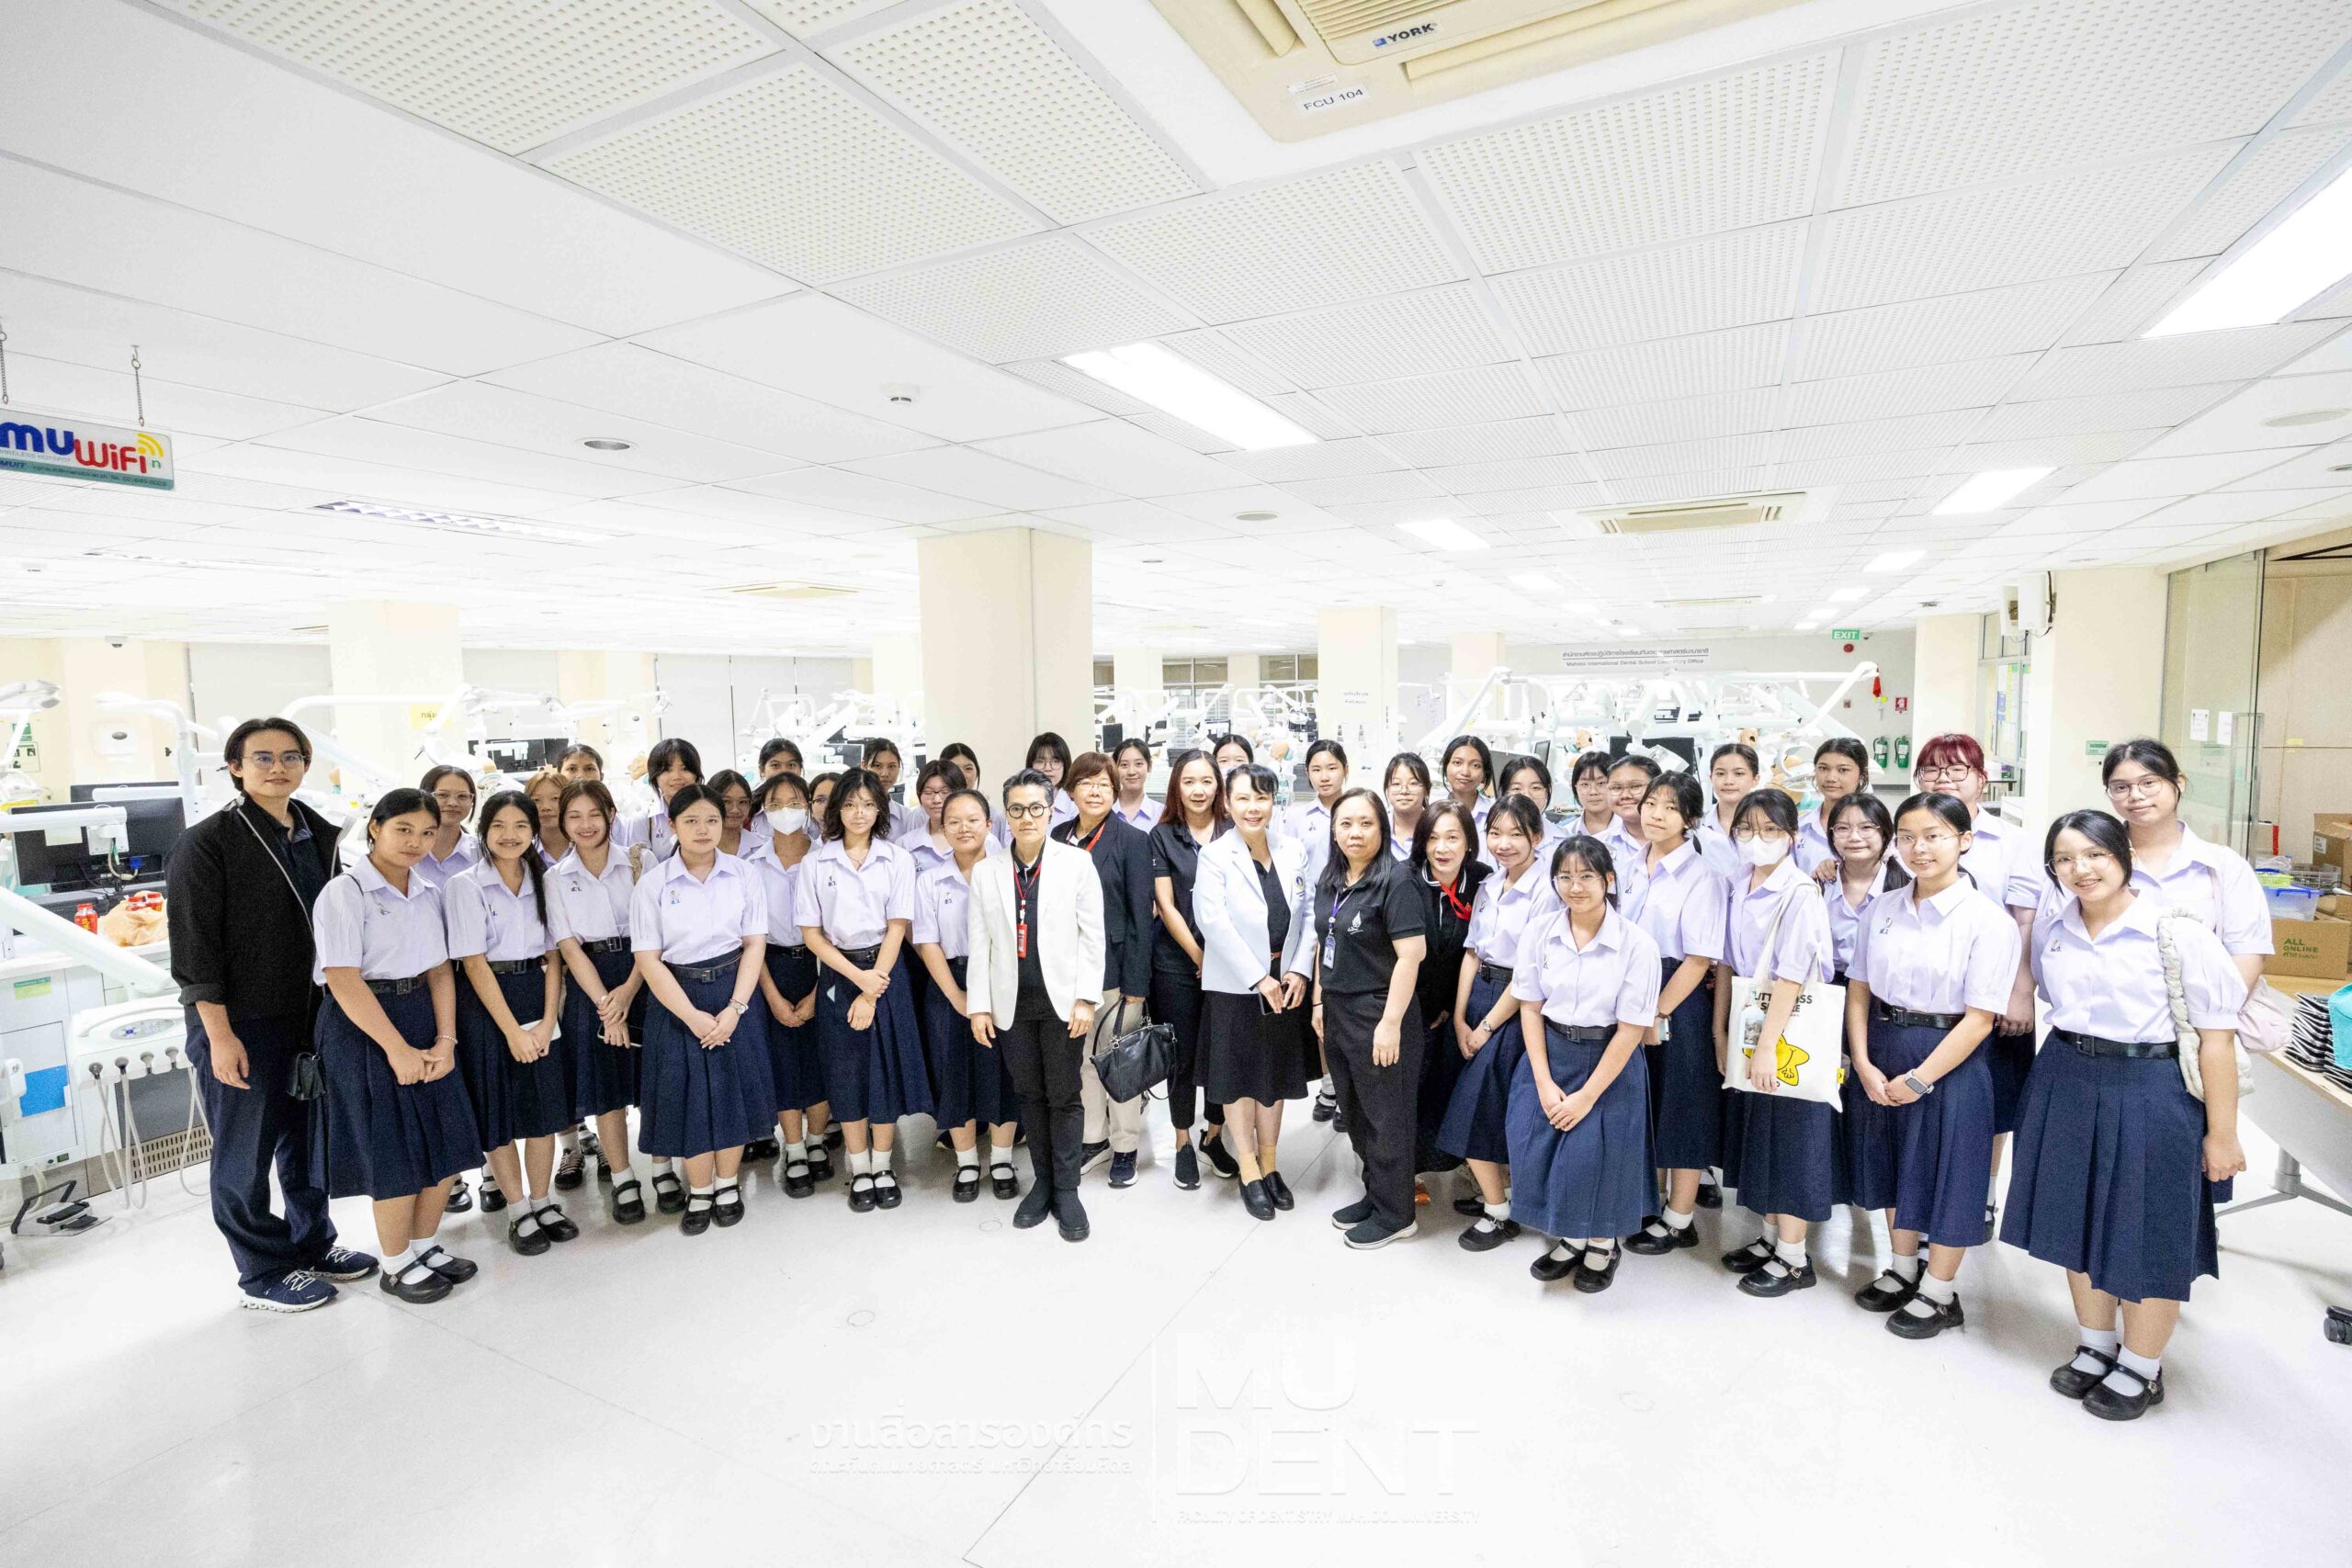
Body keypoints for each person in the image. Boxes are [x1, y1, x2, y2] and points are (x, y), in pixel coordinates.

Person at [2002, 810, 2248, 1420]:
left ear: (2124, 856)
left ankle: (2142, 1364)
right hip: (2066, 1075)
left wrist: (2222, 1133)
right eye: (2064, 859)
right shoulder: (2054, 928)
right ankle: (2096, 1343)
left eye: (2095, 854)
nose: (2080, 869)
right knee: (2074, 1216)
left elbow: (2217, 1040)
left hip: (2151, 1086)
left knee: (2149, 1226)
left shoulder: (2176, 932)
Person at [167, 716, 376, 1311]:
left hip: (308, 1017)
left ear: (306, 764)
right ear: (235, 767)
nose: (277, 767)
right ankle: (261, 1269)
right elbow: (195, 951)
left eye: (290, 757)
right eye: (262, 757)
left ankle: (312, 1243)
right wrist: (219, 1035)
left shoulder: (319, 835)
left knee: (306, 1141)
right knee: (245, 1150)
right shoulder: (207, 844)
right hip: (240, 1024)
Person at [1843, 794, 2019, 1337]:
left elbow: (1981, 1019)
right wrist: (1863, 1061)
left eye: (1934, 836)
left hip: (1951, 1057)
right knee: (1893, 1162)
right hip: (1883, 1044)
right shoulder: (1882, 909)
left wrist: (1921, 1078)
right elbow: (1858, 989)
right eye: (1908, 837)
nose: (1919, 848)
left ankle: (1940, 1292)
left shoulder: (1988, 920)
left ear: (1965, 841)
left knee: (1950, 1172)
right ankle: (1902, 1269)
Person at [314, 789, 482, 1304]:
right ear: (375, 828)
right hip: (366, 1027)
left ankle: (425, 1244)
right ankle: (395, 1261)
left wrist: (446, 1040)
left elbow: (441, 971)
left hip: (425, 1018)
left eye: (427, 832)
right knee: (393, 1150)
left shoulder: (430, 891)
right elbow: (343, 979)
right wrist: (396, 1049)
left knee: (447, 1139)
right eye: (403, 829)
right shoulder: (346, 892)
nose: (415, 842)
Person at [1508, 837, 1662, 1292]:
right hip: (1551, 1051)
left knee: (1597, 1157)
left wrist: (1586, 1097)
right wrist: (1542, 1080)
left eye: (1587, 876)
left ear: (1609, 880)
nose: (1575, 887)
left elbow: (1632, 1029)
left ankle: (1602, 1244)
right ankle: (1572, 1238)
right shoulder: (1540, 932)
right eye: (1565, 877)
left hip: (1609, 1059)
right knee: (1545, 1149)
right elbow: (1530, 1007)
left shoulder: (1637, 944)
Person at [966, 770, 1106, 1241]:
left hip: (1063, 1003)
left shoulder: (1076, 863)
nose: (1027, 817)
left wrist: (1086, 998)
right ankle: (1042, 1183)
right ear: (1005, 816)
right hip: (1011, 1006)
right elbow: (979, 943)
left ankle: (1067, 1189)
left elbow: (1092, 937)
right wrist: (979, 1007)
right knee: (1029, 1095)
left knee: (1064, 1095)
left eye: (1036, 808)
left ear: (1050, 811)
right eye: (1017, 809)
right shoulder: (987, 871)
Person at [630, 783, 775, 1235]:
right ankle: (700, 1190)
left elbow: (754, 944)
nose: (702, 829)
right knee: (687, 1096)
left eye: (711, 819)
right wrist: (691, 1016)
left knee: (732, 1092)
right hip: (676, 999)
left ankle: (727, 1183)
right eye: (690, 820)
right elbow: (648, 960)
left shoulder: (744, 874)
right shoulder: (653, 885)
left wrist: (736, 1008)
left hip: (733, 990)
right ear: (672, 825)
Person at [1715, 787, 1842, 1298]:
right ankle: (1770, 1239)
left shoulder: (1800, 893)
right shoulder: (1736, 883)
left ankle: (1793, 1256)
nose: (1758, 839)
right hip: (1750, 1023)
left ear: (1792, 837)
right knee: (1761, 1135)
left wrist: (1767, 1047)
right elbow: (1728, 963)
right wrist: (1721, 1031)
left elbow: (1791, 976)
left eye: (1770, 830)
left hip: (1787, 1030)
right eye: (1747, 829)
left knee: (1791, 1139)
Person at [1909, 733, 2044, 1205]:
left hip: (1995, 991)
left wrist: (2020, 992)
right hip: (1930, 990)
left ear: (1981, 780)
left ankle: (1981, 1193)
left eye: (1956, 769)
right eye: (1932, 770)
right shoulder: (1909, 836)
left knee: (1993, 1097)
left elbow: (2024, 918)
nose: (1943, 779)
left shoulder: (2012, 841)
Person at [796, 766, 931, 1212]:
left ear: (880, 810)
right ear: (837, 809)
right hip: (839, 973)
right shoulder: (816, 863)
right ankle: (859, 1168)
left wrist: (872, 991)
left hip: (886, 972)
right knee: (846, 1072)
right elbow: (812, 934)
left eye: (869, 805)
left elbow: (898, 927)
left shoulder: (897, 859)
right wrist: (858, 982)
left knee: (884, 1071)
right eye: (851, 804)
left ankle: (884, 1166)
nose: (859, 813)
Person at [446, 791, 573, 1256]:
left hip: (536, 995)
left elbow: (554, 955)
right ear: (484, 830)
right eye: (499, 825)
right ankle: (518, 1209)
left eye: (521, 825)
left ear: (534, 831)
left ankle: (542, 1200)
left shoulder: (545, 879)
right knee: (498, 1113)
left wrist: (546, 1020)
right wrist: (512, 1031)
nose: (510, 835)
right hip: (486, 1005)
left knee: (543, 1111)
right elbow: (473, 963)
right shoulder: (465, 885)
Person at [1193, 762, 1317, 1223]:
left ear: (1274, 802)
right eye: (1243, 798)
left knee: (1273, 1079)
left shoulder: (1293, 849)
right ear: (1227, 804)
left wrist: (1299, 969)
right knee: (1239, 1080)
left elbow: (1309, 915)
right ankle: (1247, 1168)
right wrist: (1258, 977)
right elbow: (1213, 923)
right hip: (1236, 988)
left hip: (1285, 985)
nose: (1253, 807)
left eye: (1262, 797)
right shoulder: (1215, 856)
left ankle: (1270, 1163)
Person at [1307, 789, 1428, 1248]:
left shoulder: (1397, 881)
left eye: (1365, 823)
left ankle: (1397, 1214)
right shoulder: (1332, 878)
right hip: (1338, 1010)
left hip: (1379, 1012)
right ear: (1334, 830)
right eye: (1345, 824)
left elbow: (1411, 956)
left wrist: (1391, 1023)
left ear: (1382, 827)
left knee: (1386, 1117)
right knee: (1355, 1113)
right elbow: (1325, 943)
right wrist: (1319, 1003)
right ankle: (1377, 1195)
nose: (1354, 833)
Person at [1622, 772, 1729, 1255]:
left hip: (1675, 1000)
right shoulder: (1628, 864)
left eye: (1670, 807)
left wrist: (1656, 1013)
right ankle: (1649, 1202)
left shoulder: (1703, 877)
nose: (1656, 814)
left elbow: (1699, 959)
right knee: (1644, 1104)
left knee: (1683, 1105)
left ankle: (1681, 1217)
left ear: (1690, 819)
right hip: (1630, 990)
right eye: (1651, 803)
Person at [1437, 795, 1552, 1250]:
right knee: (1486, 1108)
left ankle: (1499, 1212)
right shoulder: (1489, 884)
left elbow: (1528, 973)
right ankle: (1499, 1196)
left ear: (1537, 837)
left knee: (1475, 1108)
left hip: (1516, 1006)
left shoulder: (1547, 890)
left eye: (1516, 834)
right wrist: (1461, 1017)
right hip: (1479, 996)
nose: (1503, 844)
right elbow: (1472, 952)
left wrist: (1485, 1027)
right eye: (1495, 834)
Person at [547, 780, 650, 1222]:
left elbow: (654, 933)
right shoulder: (555, 877)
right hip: (591, 984)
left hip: (645, 974)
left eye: (594, 814)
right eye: (574, 816)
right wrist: (608, 1006)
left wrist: (628, 991)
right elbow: (569, 948)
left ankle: (663, 1168)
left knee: (654, 1078)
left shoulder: (640, 861)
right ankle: (623, 1178)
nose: (585, 824)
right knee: (606, 1086)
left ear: (610, 815)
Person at [912, 787, 1021, 1201]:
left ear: (989, 825)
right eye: (953, 821)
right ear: (942, 828)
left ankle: (1003, 1159)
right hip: (949, 984)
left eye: (973, 820)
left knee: (1003, 1072)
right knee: (953, 1072)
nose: (963, 828)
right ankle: (967, 1162)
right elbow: (927, 943)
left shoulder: (1009, 873)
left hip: (1001, 983)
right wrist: (958, 998)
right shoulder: (929, 880)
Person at [1052, 752, 1155, 1186]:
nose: (1095, 791)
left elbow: (1140, 918)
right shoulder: (1056, 836)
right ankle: (1094, 1138)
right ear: (1070, 790)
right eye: (1086, 783)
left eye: (1103, 785)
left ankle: (1126, 1145)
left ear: (1114, 792)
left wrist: (1136, 983)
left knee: (1120, 1062)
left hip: (1116, 973)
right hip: (1067, 974)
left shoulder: (1132, 840)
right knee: (1083, 1062)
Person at [2098, 739, 2270, 988]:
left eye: (2149, 783)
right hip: (2114, 1005)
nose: (2135, 795)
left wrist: (2217, 1012)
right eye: (2120, 787)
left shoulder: (2224, 865)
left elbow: (2248, 952)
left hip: (2205, 1008)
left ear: (2178, 783)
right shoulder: (2095, 864)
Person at [1149, 748, 1238, 1188]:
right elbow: (1166, 905)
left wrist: (1221, 957)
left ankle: (1214, 1136)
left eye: (1206, 781)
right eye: (1189, 782)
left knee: (1222, 1052)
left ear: (1218, 786)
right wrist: (1200, 957)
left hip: (1230, 962)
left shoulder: (1234, 830)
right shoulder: (1162, 835)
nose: (1198, 790)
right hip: (1176, 964)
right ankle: (1183, 1140)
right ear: (1176, 787)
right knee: (1181, 1056)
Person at [743, 772, 832, 1197]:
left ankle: (816, 1140)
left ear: (809, 806)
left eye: (794, 802)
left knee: (821, 1057)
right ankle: (793, 1147)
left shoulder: (827, 859)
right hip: (770, 967)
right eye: (775, 804)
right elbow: (750, 939)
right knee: (781, 1060)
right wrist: (772, 995)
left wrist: (818, 991)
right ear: (763, 809)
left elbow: (835, 932)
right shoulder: (750, 867)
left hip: (822, 966)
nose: (785, 811)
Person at [1410, 802, 1487, 1190]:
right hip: (1412, 1006)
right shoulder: (1405, 880)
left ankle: (1462, 1163)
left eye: (1452, 837)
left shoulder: (1483, 881)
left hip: (1461, 1006)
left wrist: (1450, 1010)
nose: (1442, 848)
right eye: (1433, 838)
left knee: (1453, 1090)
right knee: (1412, 1094)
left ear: (1468, 842)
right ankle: (1407, 1172)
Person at [616, 738, 703, 867]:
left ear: (696, 774)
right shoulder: (642, 821)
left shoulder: (712, 815)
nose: (676, 776)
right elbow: (637, 869)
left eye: (684, 769)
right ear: (655, 777)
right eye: (667, 770)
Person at [1796, 738, 1870, 874]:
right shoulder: (1800, 826)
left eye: (1843, 770)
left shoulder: (1876, 827)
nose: (1831, 778)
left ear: (1862, 775)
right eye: (1823, 768)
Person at [1283, 738, 1349, 852]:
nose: (1324, 777)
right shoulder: (1296, 818)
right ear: (1307, 773)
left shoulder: (1358, 813)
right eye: (1316, 770)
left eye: (1332, 768)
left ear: (1345, 770)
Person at [899, 759, 961, 873]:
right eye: (928, 792)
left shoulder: (984, 841)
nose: (937, 800)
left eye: (945, 792)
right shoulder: (905, 845)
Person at [1600, 754, 1657, 874]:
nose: (1625, 795)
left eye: (1635, 786)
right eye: (1616, 788)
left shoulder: (1686, 841)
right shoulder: (1598, 845)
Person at [1498, 755, 1565, 856]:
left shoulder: (1564, 840)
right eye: (1516, 788)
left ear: (1547, 791)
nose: (1527, 796)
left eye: (1535, 788)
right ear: (1504, 793)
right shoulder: (1489, 838)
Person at [863, 738, 924, 842]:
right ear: (863, 766)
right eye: (877, 766)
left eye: (892, 766)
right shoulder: (849, 812)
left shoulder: (906, 818)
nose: (885, 773)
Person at [1438, 735, 1494, 832]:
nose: (1465, 772)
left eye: (1475, 765)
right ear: (1446, 766)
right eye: (1457, 763)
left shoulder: (1495, 812)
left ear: (1485, 773)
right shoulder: (1432, 809)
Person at [1384, 752, 1431, 863]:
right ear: (1387, 789)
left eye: (1413, 783)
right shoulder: (1378, 828)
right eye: (1396, 784)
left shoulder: (1437, 828)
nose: (1404, 791)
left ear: (1427, 789)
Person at [1024, 732, 1079, 828]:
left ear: (1065, 765)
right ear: (1031, 765)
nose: (1048, 768)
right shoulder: (1019, 799)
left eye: (1056, 761)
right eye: (1040, 761)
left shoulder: (1075, 805)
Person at [1112, 738, 1160, 830]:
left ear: (1149, 766)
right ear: (1114, 768)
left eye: (1138, 764)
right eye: (1124, 765)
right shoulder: (1104, 811)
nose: (1131, 772)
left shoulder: (1162, 814)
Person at [523, 766, 568, 868]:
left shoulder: (583, 847)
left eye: (555, 798)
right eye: (536, 800)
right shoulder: (522, 852)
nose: (545, 807)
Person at [1566, 751, 1616, 840]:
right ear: (1576, 787)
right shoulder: (1565, 834)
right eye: (1585, 784)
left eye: (1601, 783)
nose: (1593, 792)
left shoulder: (1633, 831)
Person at [709, 769, 756, 859]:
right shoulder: (695, 848)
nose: (735, 810)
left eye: (742, 802)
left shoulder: (766, 846)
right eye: (726, 801)